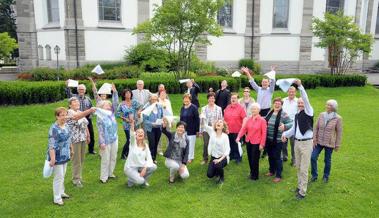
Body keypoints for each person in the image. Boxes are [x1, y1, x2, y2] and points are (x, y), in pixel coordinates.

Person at [282, 79, 314, 200]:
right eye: (299, 104)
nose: (300, 105)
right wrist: (285, 134)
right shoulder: (296, 115)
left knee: (304, 169)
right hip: (297, 144)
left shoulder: (309, 112)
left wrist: (300, 86)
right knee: (298, 167)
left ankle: (303, 192)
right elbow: (293, 130)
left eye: (302, 103)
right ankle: (300, 186)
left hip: (306, 144)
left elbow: (305, 98)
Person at [311, 99, 343, 183]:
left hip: (329, 143)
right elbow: (315, 127)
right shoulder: (321, 115)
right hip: (318, 141)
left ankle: (326, 176)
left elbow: (339, 132)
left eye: (330, 105)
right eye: (327, 104)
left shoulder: (338, 118)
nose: (327, 106)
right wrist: (314, 139)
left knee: (327, 160)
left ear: (334, 107)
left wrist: (337, 144)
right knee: (313, 157)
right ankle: (314, 175)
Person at [66, 97, 96, 188]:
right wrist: (90, 110)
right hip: (75, 139)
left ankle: (79, 177)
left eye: (77, 101)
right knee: (76, 160)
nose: (77, 103)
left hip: (82, 138)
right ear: (70, 105)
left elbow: (85, 124)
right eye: (74, 102)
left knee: (81, 159)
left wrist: (88, 135)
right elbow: (76, 118)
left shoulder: (80, 111)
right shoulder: (70, 112)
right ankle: (76, 179)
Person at [47, 107, 73, 206]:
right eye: (62, 115)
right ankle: (57, 198)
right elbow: (51, 145)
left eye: (65, 115)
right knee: (58, 177)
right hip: (57, 157)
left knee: (63, 175)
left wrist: (71, 149)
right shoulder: (54, 128)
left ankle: (61, 192)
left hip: (65, 155)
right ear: (56, 117)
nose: (64, 117)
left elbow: (69, 138)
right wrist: (53, 159)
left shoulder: (66, 125)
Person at [264, 97, 293, 183]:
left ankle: (278, 175)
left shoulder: (284, 114)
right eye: (275, 103)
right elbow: (265, 119)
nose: (277, 105)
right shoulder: (270, 112)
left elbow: (291, 123)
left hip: (278, 140)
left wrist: (285, 126)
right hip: (268, 139)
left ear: (281, 105)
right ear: (273, 104)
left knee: (277, 157)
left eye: (278, 104)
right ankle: (271, 171)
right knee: (270, 156)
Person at [236, 103, 267, 180]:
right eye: (252, 109)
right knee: (250, 158)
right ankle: (252, 172)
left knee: (255, 159)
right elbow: (244, 129)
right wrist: (238, 137)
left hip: (257, 143)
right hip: (249, 141)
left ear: (259, 110)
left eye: (255, 109)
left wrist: (262, 144)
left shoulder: (262, 120)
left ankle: (255, 176)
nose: (253, 110)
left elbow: (264, 133)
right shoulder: (249, 119)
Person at [96, 84, 119, 183]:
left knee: (113, 157)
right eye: (107, 105)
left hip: (114, 138)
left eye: (109, 105)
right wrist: (102, 142)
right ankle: (103, 177)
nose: (109, 106)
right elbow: (100, 130)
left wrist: (115, 92)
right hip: (106, 140)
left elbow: (115, 103)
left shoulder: (111, 114)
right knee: (105, 158)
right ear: (101, 107)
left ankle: (110, 173)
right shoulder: (100, 116)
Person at [65, 82, 96, 154]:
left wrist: (90, 115)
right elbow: (68, 93)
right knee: (79, 132)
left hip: (87, 117)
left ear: (85, 90)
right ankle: (75, 149)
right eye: (79, 89)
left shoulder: (88, 99)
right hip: (76, 117)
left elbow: (91, 107)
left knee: (91, 133)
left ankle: (91, 149)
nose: (81, 91)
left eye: (82, 89)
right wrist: (67, 85)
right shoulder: (74, 98)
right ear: (77, 90)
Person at [124, 120, 157, 187]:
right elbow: (132, 135)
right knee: (140, 181)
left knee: (153, 167)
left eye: (142, 132)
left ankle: (143, 181)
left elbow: (149, 158)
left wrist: (145, 168)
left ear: (144, 135)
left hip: (140, 166)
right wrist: (132, 125)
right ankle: (131, 179)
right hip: (130, 167)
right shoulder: (133, 144)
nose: (140, 133)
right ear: (136, 135)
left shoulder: (146, 145)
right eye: (138, 132)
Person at [202, 119, 230, 184]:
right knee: (209, 175)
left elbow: (227, 151)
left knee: (218, 165)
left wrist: (219, 160)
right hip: (213, 157)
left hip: (223, 157)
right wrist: (202, 118)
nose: (218, 123)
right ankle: (217, 172)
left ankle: (222, 176)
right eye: (217, 122)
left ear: (223, 126)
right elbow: (204, 125)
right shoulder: (212, 132)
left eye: (220, 122)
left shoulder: (225, 136)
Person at [162, 119, 190, 183]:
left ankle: (178, 170)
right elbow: (164, 131)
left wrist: (183, 165)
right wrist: (164, 126)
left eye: (182, 127)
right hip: (170, 159)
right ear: (176, 128)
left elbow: (186, 153)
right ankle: (171, 177)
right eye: (179, 127)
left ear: (184, 129)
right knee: (175, 166)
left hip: (179, 160)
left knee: (185, 175)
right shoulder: (172, 135)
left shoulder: (186, 139)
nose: (180, 128)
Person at [117, 89, 142, 159]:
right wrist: (125, 119)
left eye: (129, 93)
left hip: (135, 123)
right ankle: (123, 154)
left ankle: (130, 153)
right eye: (126, 93)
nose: (128, 94)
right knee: (129, 139)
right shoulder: (121, 104)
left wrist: (139, 112)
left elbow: (141, 106)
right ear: (124, 95)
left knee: (134, 139)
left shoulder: (134, 102)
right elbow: (118, 114)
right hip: (127, 125)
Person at [200, 92, 223, 165]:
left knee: (216, 144)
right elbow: (202, 120)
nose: (211, 99)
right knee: (206, 144)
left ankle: (216, 158)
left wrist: (220, 129)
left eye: (213, 98)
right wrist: (200, 131)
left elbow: (220, 119)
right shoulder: (203, 108)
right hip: (206, 129)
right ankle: (205, 158)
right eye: (210, 98)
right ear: (207, 99)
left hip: (215, 129)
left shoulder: (219, 108)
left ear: (215, 99)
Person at [224, 93, 246, 164]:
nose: (233, 99)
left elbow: (244, 118)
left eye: (235, 98)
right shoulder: (227, 107)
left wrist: (243, 129)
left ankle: (238, 158)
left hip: (237, 130)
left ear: (237, 99)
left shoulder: (241, 108)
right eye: (232, 98)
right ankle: (232, 156)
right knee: (230, 144)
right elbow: (225, 119)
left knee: (237, 144)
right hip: (228, 130)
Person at [143, 94, 164, 163]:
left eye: (155, 99)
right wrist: (152, 123)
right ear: (150, 100)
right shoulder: (147, 108)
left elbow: (162, 116)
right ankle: (150, 159)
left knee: (156, 144)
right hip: (150, 129)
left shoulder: (160, 107)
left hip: (158, 128)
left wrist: (162, 121)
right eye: (152, 99)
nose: (154, 101)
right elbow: (145, 120)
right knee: (152, 144)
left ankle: (154, 158)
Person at [179, 93, 200, 163]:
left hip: (192, 130)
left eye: (187, 99)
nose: (186, 101)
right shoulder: (182, 108)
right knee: (184, 143)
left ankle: (190, 157)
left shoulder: (194, 108)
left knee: (191, 144)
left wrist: (197, 130)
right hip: (183, 130)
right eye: (184, 99)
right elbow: (181, 119)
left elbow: (197, 119)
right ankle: (184, 155)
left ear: (190, 100)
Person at [282, 86, 298, 165]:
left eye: (293, 92)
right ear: (287, 92)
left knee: (293, 143)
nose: (291, 93)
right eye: (290, 91)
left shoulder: (298, 101)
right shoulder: (283, 100)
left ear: (295, 92)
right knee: (283, 141)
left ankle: (294, 159)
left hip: (293, 124)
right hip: (284, 124)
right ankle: (284, 156)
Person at [157, 90, 173, 155]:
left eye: (164, 93)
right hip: (161, 120)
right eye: (162, 94)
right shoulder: (158, 101)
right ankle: (159, 149)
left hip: (168, 120)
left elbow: (170, 111)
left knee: (168, 135)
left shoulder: (168, 101)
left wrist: (171, 120)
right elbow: (158, 112)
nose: (163, 95)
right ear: (159, 94)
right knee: (159, 135)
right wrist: (163, 120)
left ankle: (169, 148)